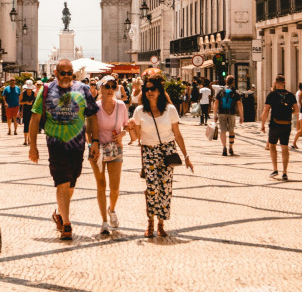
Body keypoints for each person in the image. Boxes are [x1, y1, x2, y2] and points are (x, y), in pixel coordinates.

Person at [28, 58, 99, 241]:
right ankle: (66, 224)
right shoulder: (46, 90)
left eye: (70, 73)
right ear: (56, 73)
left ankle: (59, 213)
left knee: (71, 183)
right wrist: (33, 146)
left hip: (77, 145)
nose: (67, 76)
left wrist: (95, 142)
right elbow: (35, 119)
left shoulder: (83, 89)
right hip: (56, 145)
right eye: (63, 73)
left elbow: (92, 117)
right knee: (62, 182)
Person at [129, 69, 192, 238]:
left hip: (168, 150)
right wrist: (129, 129)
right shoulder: (139, 111)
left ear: (159, 91)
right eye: (147, 89)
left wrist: (186, 156)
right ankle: (150, 222)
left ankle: (161, 224)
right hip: (149, 150)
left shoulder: (170, 109)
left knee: (165, 188)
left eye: (153, 89)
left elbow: (177, 134)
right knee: (152, 188)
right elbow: (136, 138)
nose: (149, 92)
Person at [91, 76, 127, 235]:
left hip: (115, 148)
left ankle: (112, 210)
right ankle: (104, 221)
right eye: (107, 86)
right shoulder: (95, 107)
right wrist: (93, 143)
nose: (110, 89)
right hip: (97, 149)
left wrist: (123, 134)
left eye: (114, 86)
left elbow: (126, 126)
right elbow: (89, 129)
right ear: (100, 88)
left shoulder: (121, 106)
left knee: (114, 187)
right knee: (101, 184)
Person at [260, 75, 297, 180]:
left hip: (275, 124)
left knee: (272, 146)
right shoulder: (290, 95)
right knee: (284, 147)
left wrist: (262, 124)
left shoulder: (272, 95)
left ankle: (275, 169)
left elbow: (266, 110)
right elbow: (297, 110)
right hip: (287, 124)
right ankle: (285, 172)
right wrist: (289, 112)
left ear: (275, 83)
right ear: (284, 83)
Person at [212, 75, 242, 156]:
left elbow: (216, 103)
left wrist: (215, 115)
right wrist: (241, 116)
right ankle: (231, 147)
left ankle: (224, 147)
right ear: (233, 82)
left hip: (221, 113)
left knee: (223, 131)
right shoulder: (235, 92)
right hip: (231, 113)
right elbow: (239, 104)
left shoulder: (220, 91)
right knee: (231, 130)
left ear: (226, 81)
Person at [19, 80, 37, 145]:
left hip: (32, 111)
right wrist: (26, 102)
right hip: (25, 110)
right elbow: (20, 102)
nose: (29, 89)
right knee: (26, 125)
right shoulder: (23, 93)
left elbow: (37, 102)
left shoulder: (34, 93)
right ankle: (25, 140)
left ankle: (29, 139)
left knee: (31, 125)